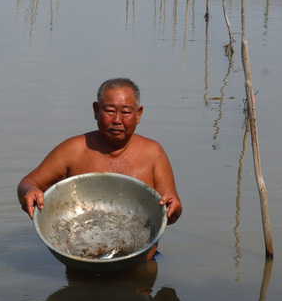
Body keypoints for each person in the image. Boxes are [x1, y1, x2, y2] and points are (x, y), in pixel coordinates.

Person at [17, 78, 182, 225]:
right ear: (96, 110)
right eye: (110, 111)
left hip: (141, 255)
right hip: (80, 251)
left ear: (138, 115)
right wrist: (29, 191)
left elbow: (171, 211)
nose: (117, 120)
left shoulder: (153, 153)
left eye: (125, 112)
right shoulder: (73, 150)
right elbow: (29, 182)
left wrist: (174, 207)